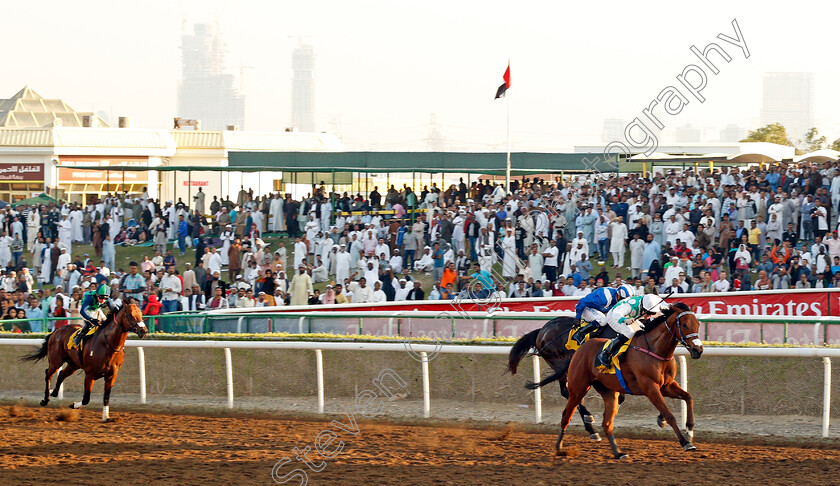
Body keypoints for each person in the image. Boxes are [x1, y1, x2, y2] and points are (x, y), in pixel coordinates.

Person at [596, 293, 667, 368]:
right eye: (649, 313)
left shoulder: (648, 304)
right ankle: (605, 353)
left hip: (629, 316)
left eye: (653, 313)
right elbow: (616, 315)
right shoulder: (629, 306)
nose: (650, 315)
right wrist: (625, 320)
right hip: (614, 317)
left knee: (642, 331)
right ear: (643, 307)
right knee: (629, 332)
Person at [570, 283, 635, 345]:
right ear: (619, 295)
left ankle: (598, 333)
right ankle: (579, 333)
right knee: (603, 320)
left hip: (600, 309)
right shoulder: (604, 298)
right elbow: (582, 301)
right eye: (623, 299)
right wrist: (577, 317)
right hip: (586, 308)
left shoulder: (617, 297)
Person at [73, 283, 112, 348]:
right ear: (97, 294)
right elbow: (83, 311)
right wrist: (91, 319)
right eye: (101, 297)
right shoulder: (89, 297)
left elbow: (114, 309)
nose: (103, 300)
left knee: (105, 321)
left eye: (106, 298)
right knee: (92, 322)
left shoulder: (106, 298)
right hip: (85, 309)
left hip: (96, 309)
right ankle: (78, 337)